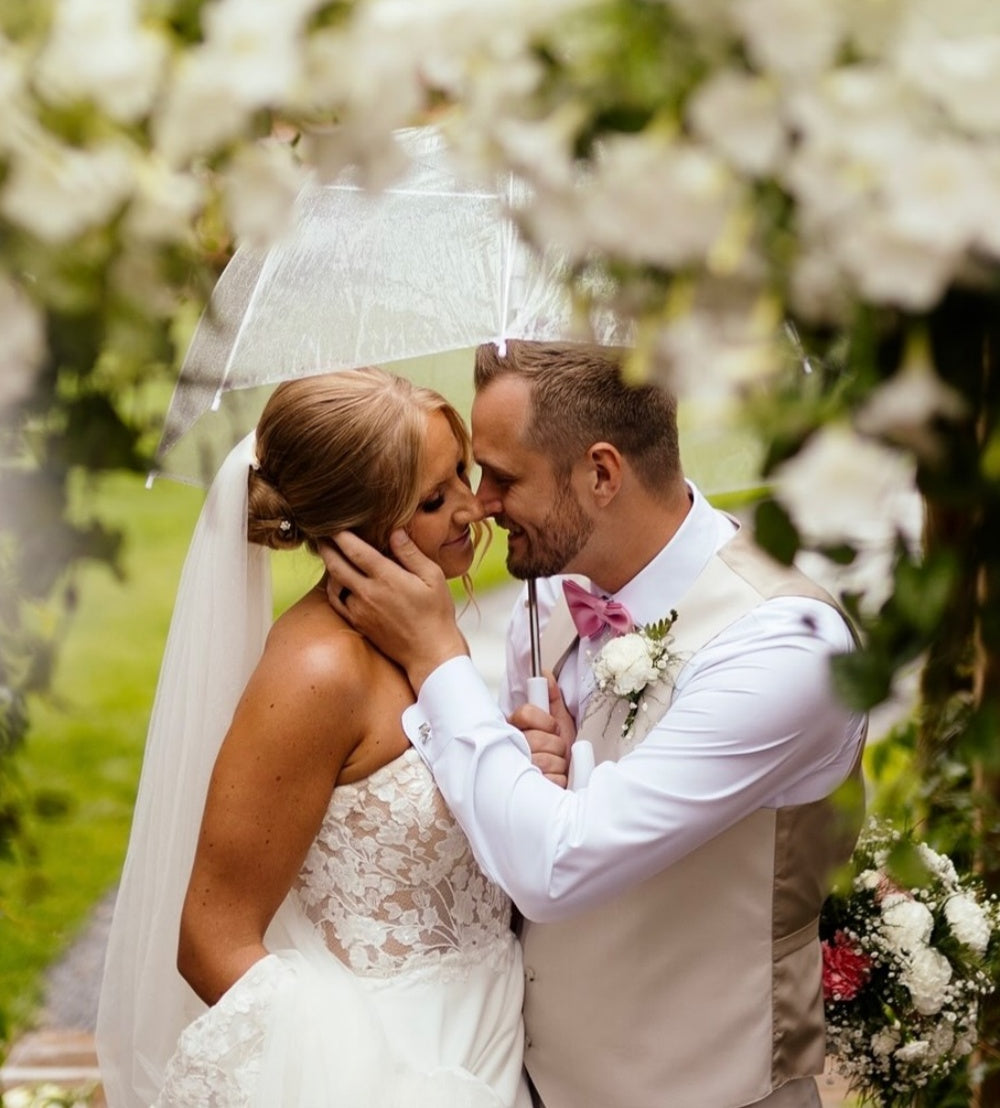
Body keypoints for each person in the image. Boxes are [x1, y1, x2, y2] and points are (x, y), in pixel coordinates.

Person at [320, 341, 868, 1108]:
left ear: (602, 474)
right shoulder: (548, 606)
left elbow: (556, 863)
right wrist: (528, 769)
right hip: (531, 1081)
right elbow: (512, 840)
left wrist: (437, 655)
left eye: (503, 476)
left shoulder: (786, 646)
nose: (478, 504)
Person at [96, 368, 530, 1108]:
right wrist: (376, 1087)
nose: (470, 505)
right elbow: (211, 940)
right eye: (432, 500)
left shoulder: (416, 621)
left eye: (460, 471)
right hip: (396, 1070)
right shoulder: (319, 673)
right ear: (351, 528)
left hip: (490, 1030)